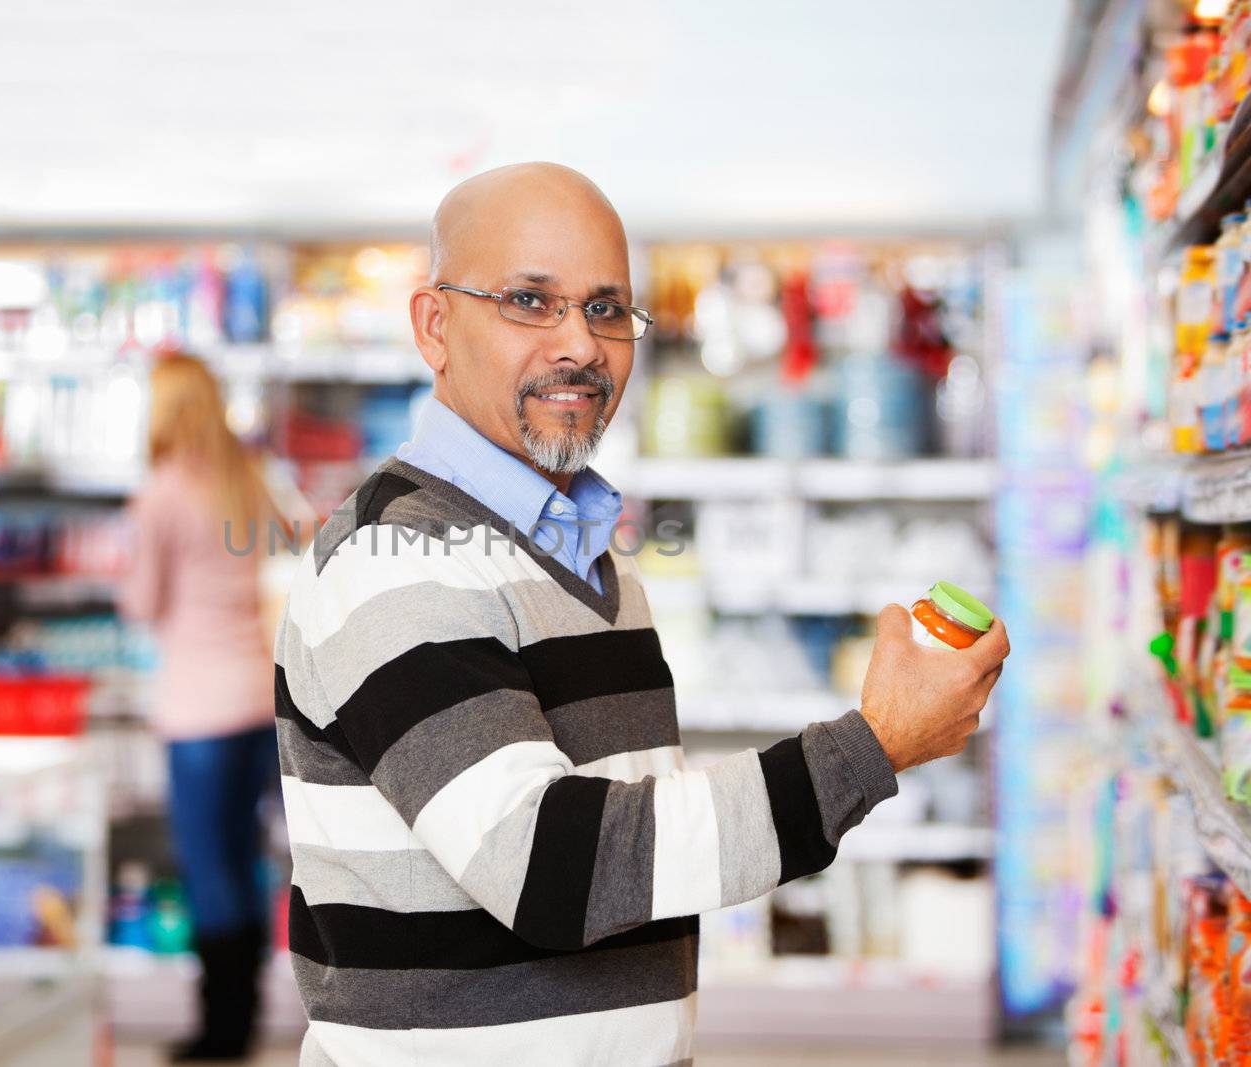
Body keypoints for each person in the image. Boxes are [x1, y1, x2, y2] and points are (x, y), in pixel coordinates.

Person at [274, 163, 1010, 1066]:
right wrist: (874, 744)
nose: (578, 344)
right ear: (435, 324)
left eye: (607, 309)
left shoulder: (593, 556)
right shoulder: (395, 558)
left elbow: (627, 843)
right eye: (528, 302)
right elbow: (553, 866)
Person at [120, 352, 281, 1063]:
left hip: (197, 707)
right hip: (258, 694)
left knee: (208, 867)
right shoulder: (248, 478)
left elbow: (141, 602)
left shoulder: (162, 493)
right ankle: (246, 1016)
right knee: (247, 858)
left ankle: (219, 1033)